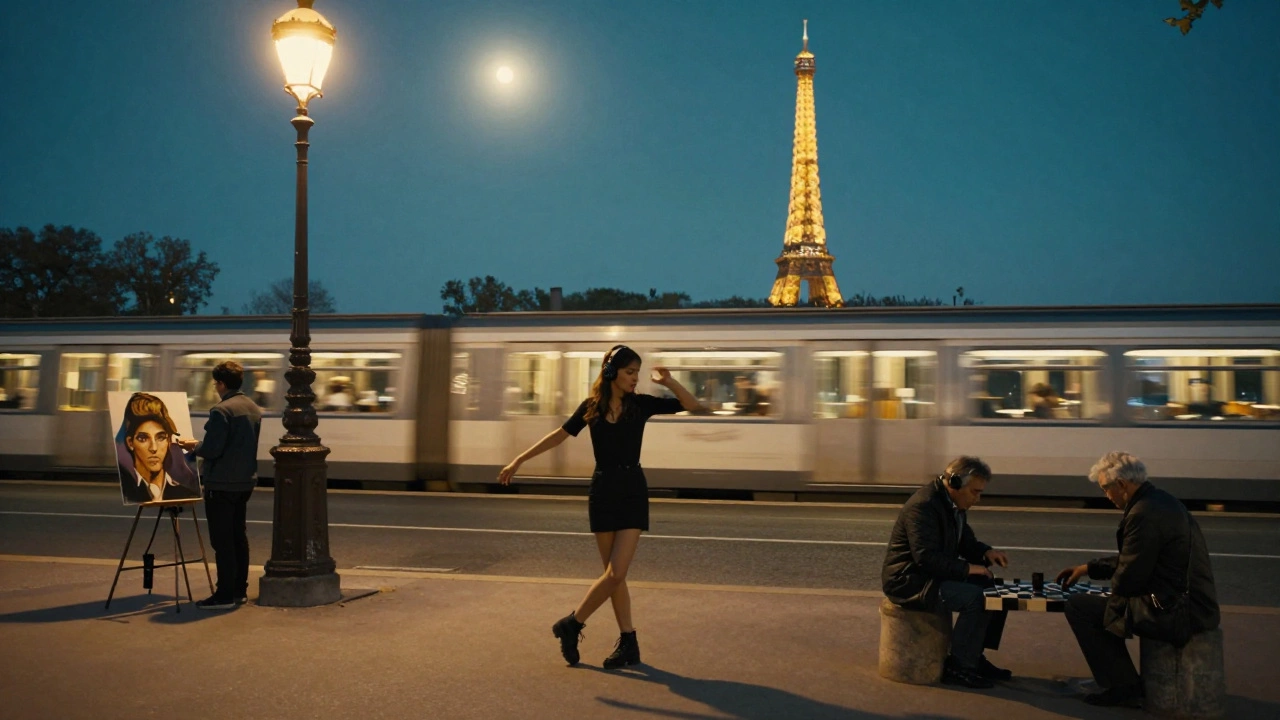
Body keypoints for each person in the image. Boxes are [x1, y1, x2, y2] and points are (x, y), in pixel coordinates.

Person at [497, 345, 704, 669]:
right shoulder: (591, 407)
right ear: (611, 373)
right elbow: (559, 436)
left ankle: (573, 623)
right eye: (630, 372)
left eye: (637, 372)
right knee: (613, 576)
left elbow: (692, 404)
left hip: (632, 489)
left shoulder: (641, 405)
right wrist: (519, 459)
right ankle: (629, 643)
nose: (636, 378)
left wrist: (669, 381)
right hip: (603, 490)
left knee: (616, 572)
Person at [1055, 452, 1220, 708]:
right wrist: (1088, 568)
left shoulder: (1142, 514)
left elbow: (1130, 576)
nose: (1106, 496)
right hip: (1188, 603)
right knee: (1105, 604)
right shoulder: (1161, 502)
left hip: (1176, 611)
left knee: (1080, 607)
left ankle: (1121, 685)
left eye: (1105, 489)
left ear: (1121, 485)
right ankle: (1124, 681)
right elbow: (1138, 558)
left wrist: (1113, 601)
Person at [881, 456, 1013, 689]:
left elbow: (965, 542)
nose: (977, 499)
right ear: (955, 483)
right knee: (977, 599)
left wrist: (986, 553)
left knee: (996, 593)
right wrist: (968, 568)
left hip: (931, 576)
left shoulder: (953, 505)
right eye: (974, 492)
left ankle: (974, 657)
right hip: (910, 582)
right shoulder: (924, 506)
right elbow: (926, 558)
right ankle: (959, 667)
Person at [177, 361, 263, 611]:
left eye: (216, 383)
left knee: (222, 540)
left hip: (221, 483)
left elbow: (213, 449)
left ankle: (224, 594)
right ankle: (239, 590)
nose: (215, 387)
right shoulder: (252, 408)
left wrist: (193, 446)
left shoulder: (221, 411)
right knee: (238, 537)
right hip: (244, 481)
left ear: (222, 383)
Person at [115, 392, 201, 504]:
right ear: (130, 443)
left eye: (160, 438)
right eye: (143, 439)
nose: (154, 448)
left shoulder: (186, 493)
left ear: (169, 441)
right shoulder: (129, 491)